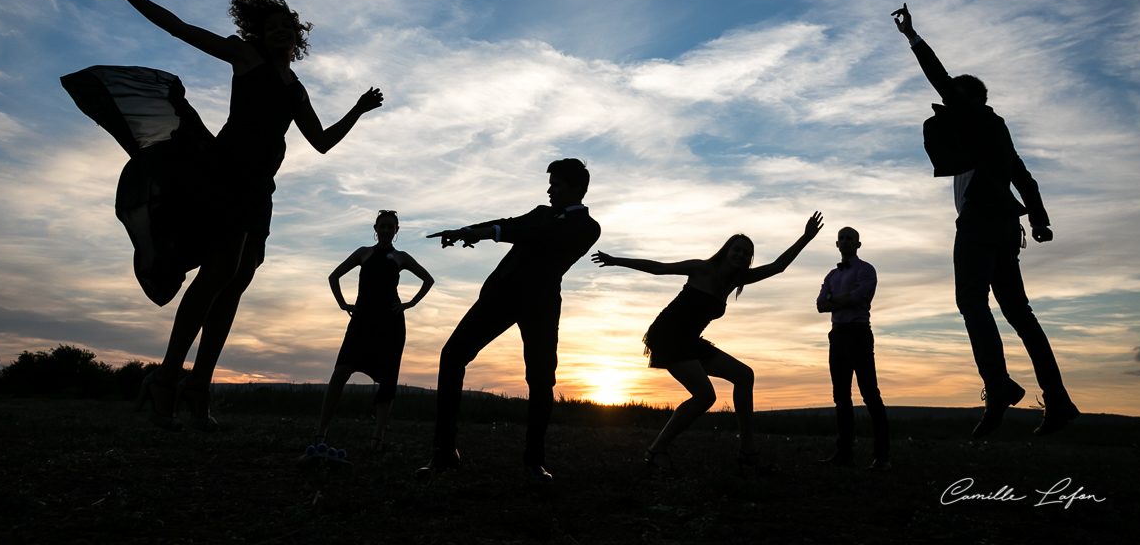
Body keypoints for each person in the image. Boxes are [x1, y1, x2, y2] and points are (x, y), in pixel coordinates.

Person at [85, 0, 383, 432]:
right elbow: (179, 28)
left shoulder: (295, 86)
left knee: (235, 284)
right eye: (271, 26)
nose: (281, 31)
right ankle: (167, 380)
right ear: (258, 34)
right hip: (224, 175)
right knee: (217, 276)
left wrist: (358, 111)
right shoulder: (245, 57)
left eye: (288, 25)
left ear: (297, 35)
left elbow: (321, 141)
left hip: (259, 189)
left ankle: (198, 388)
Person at [892, 3, 1078, 437]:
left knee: (971, 300)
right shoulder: (995, 131)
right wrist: (1039, 219)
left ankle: (998, 386)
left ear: (969, 100)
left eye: (954, 101)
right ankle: (1059, 400)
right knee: (1020, 314)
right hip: (1005, 229)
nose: (947, 107)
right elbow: (1023, 175)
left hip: (980, 225)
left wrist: (913, 38)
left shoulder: (974, 116)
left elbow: (940, 77)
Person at [591, 212, 823, 472]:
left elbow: (778, 266)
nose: (741, 255)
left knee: (744, 375)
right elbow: (659, 268)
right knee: (704, 396)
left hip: (690, 340)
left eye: (747, 254)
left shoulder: (737, 280)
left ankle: (747, 452)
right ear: (726, 250)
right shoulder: (702, 268)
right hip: (668, 336)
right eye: (737, 250)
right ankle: (656, 451)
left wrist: (806, 237)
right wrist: (615, 260)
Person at [416, 159, 600, 483]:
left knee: (541, 382)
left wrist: (491, 233)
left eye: (556, 184)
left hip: (540, 306)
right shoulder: (542, 211)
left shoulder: (587, 227)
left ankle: (534, 462)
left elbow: (539, 236)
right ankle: (444, 451)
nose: (549, 189)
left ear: (577, 188)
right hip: (501, 295)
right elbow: (509, 222)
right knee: (453, 354)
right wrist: (467, 231)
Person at [309, 210, 434, 453]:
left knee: (387, 380)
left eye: (391, 226)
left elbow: (428, 280)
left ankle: (377, 439)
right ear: (375, 228)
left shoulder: (401, 257)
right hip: (362, 320)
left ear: (397, 230)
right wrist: (343, 304)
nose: (386, 230)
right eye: (382, 226)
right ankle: (321, 431)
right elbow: (334, 276)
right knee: (341, 371)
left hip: (391, 323)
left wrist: (410, 303)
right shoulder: (363, 253)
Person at [816, 226, 890, 471]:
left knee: (870, 393)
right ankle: (844, 453)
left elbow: (859, 298)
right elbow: (819, 305)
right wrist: (843, 297)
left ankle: (882, 457)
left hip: (858, 333)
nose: (846, 242)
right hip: (837, 335)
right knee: (841, 396)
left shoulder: (866, 269)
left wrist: (834, 300)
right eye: (842, 239)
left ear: (858, 244)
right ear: (837, 244)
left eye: (850, 239)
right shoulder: (831, 275)